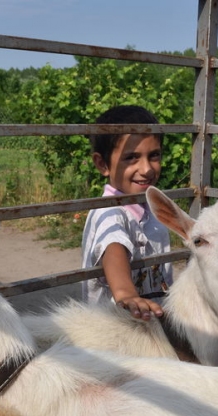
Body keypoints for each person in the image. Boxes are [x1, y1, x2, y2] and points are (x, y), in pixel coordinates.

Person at [81, 105, 173, 321]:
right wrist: (126, 293)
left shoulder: (150, 207)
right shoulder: (110, 211)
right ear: (102, 164)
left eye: (154, 155)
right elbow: (113, 248)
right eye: (131, 158)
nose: (147, 169)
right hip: (114, 332)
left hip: (150, 322)